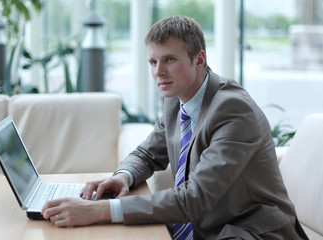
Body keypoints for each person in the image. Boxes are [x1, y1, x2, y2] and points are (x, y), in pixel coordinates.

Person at [42, 16, 308, 240]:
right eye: (153, 62)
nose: (159, 72)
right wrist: (123, 176)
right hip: (207, 227)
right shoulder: (176, 99)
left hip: (252, 232)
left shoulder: (233, 111)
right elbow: (147, 154)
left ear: (199, 59)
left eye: (170, 60)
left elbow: (196, 198)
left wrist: (100, 210)